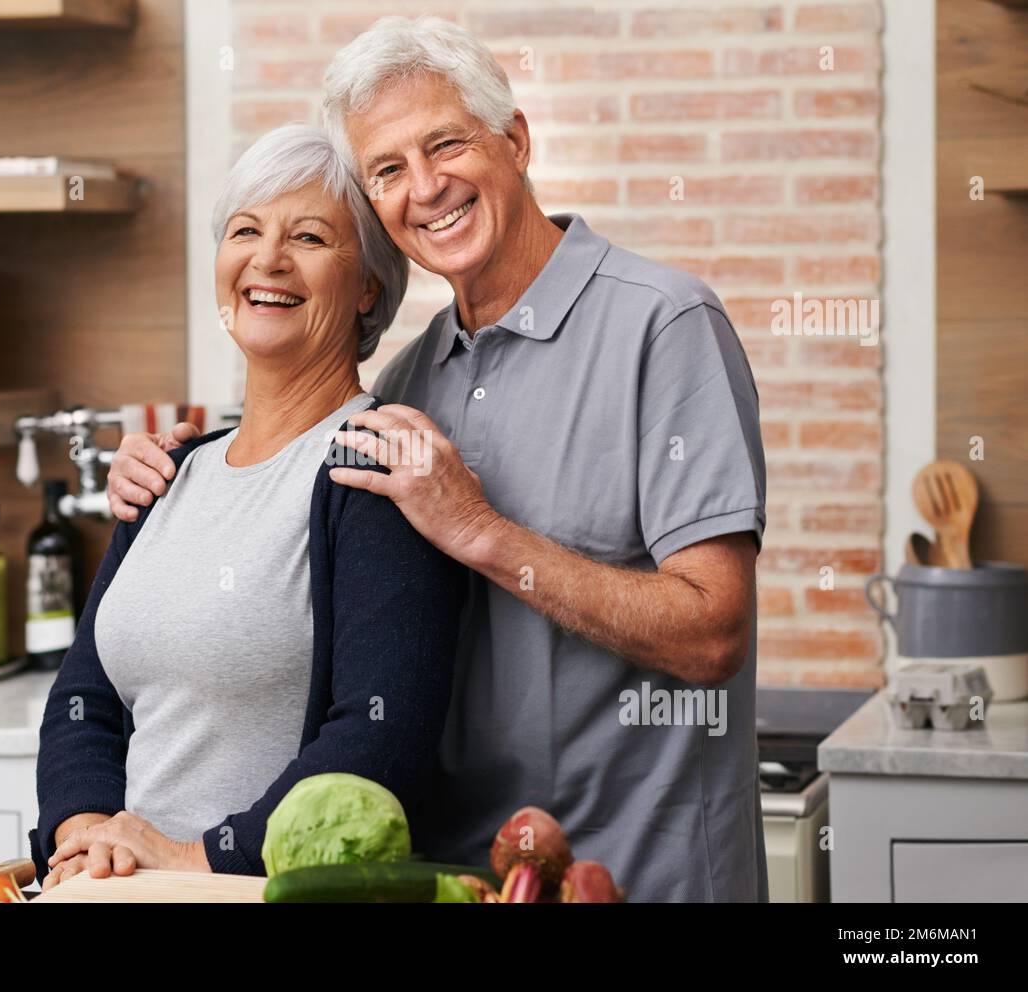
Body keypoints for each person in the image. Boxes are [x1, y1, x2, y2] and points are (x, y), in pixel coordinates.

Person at [108, 17, 768, 902]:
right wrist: (175, 470)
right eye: (387, 169)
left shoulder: (664, 327)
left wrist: (484, 533)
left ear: (517, 141)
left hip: (639, 876)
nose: (424, 188)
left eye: (445, 144)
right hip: (458, 880)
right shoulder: (410, 379)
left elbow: (712, 632)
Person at [33, 123, 466, 889]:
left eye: (308, 237)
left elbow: (379, 740)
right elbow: (84, 699)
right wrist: (88, 837)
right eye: (245, 231)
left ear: (367, 283)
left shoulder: (371, 474)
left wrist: (199, 857)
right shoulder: (171, 469)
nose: (268, 260)